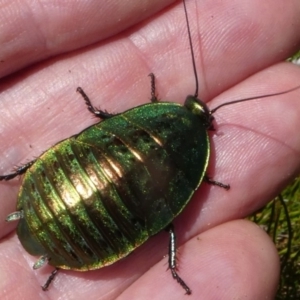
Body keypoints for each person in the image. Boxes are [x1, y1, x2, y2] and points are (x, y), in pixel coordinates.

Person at [0, 0, 299, 299]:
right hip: (89, 235)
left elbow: (110, 122)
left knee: (84, 152)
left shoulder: (162, 125)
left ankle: (14, 182)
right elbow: (176, 202)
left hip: (55, 195)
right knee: (164, 225)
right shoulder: (194, 164)